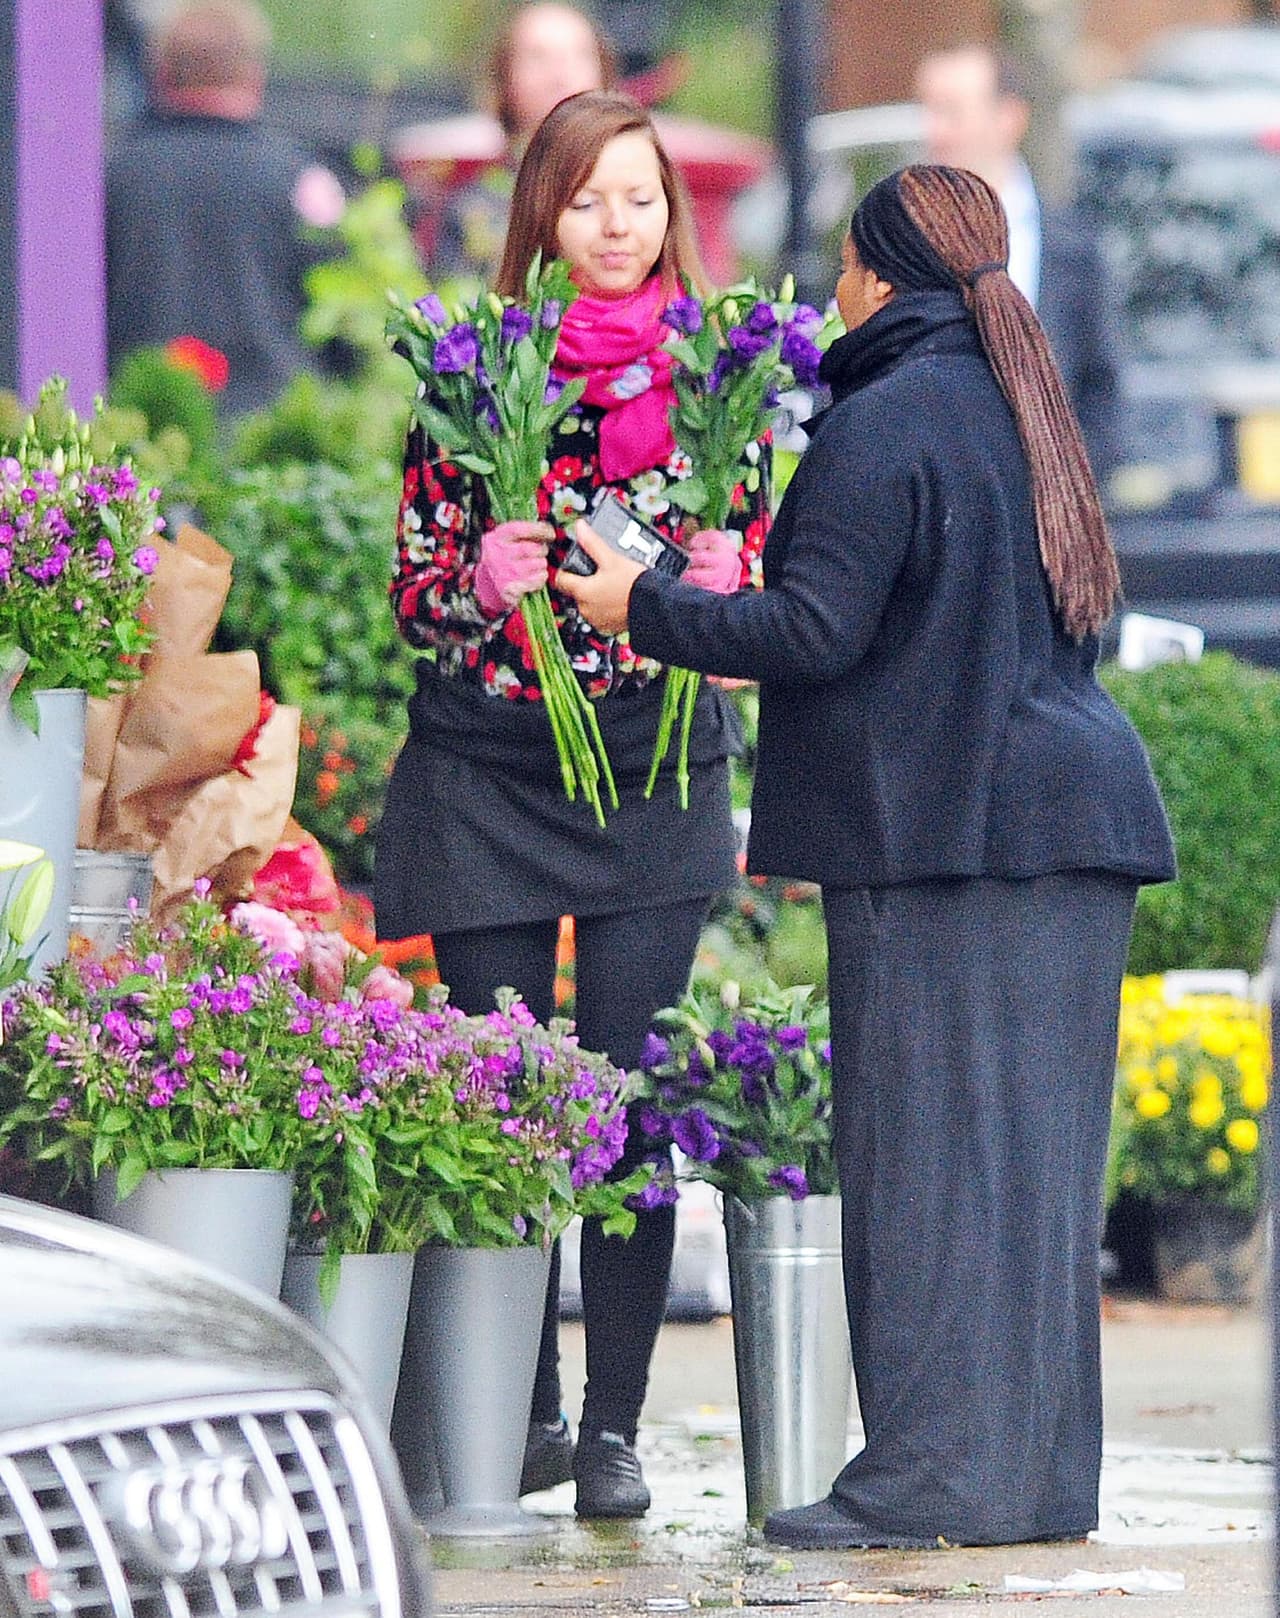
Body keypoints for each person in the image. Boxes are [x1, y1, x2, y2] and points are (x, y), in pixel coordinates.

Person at [557, 163, 1176, 1549]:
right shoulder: (1029, 407)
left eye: (842, 264)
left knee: (925, 1161)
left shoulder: (884, 420)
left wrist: (638, 602)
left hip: (948, 841)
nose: (830, 288)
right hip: (1070, 829)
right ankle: (1030, 1482)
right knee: (1029, 1175)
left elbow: (814, 632)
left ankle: (918, 1484)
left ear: (882, 280)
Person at [375, 89, 771, 1519]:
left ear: (672, 212)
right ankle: (524, 1405)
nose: (619, 227)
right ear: (542, 211)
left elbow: (764, 567)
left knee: (626, 1098)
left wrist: (730, 589)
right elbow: (413, 595)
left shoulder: (728, 374)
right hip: (487, 764)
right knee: (507, 1094)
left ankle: (612, 1426)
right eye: (590, 200)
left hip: (652, 765)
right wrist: (473, 581)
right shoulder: (475, 375)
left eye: (642, 198)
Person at [106, 0, 345, 418]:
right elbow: (347, 329)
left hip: (138, 441)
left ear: (159, 73)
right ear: (255, 76)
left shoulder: (112, 176)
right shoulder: (304, 181)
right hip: (275, 446)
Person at [915, 44, 1119, 481]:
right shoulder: (906, 240)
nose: (935, 132)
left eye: (952, 112)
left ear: (1009, 118)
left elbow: (1101, 385)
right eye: (928, 111)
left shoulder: (1074, 243)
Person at [430, 3, 616, 284]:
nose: (560, 76)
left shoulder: (636, 196)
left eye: (579, 55)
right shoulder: (473, 210)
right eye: (538, 57)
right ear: (504, 78)